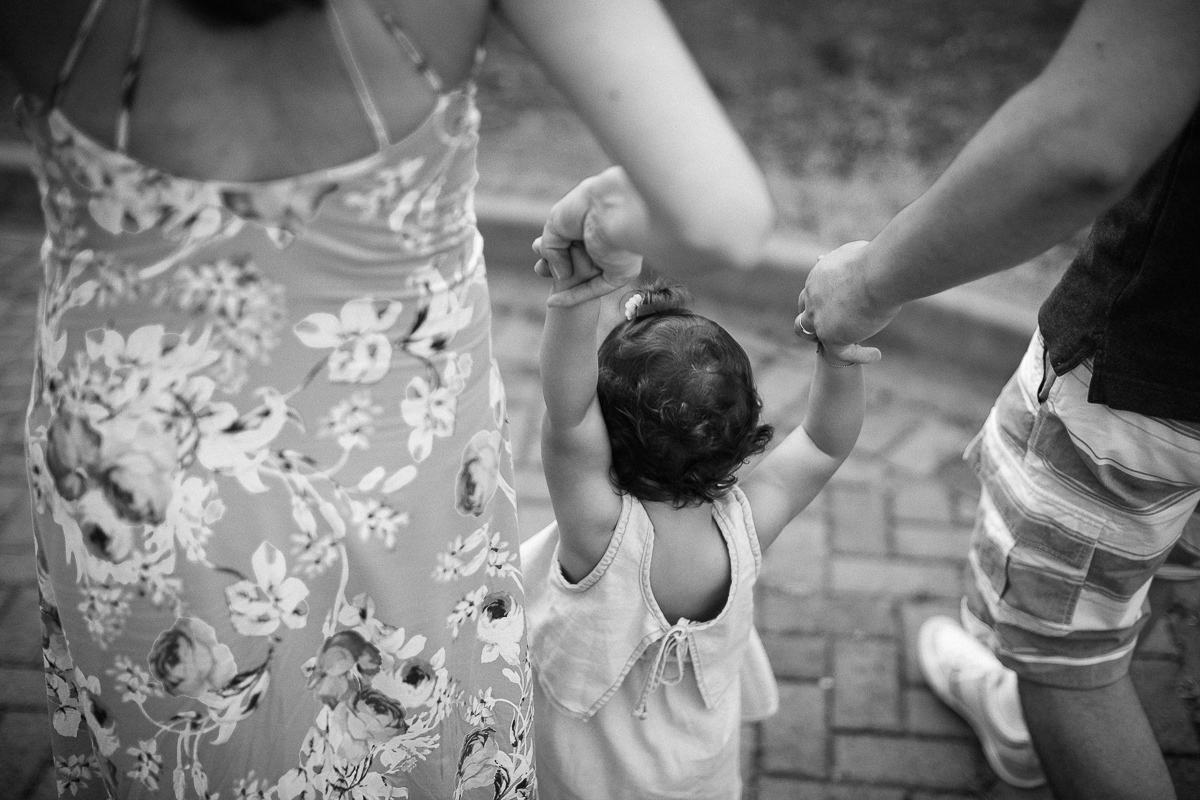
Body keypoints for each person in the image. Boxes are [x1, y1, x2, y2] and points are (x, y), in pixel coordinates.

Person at [0, 0, 775, 796]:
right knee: (401, 732)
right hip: (404, 456)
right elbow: (723, 219)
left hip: (127, 465)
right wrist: (606, 213)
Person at [797, 0, 1200, 797]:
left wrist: (869, 282)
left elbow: (1086, 137)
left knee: (1057, 649)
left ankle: (1029, 723)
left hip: (1150, 361)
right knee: (1155, 563)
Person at [520, 254, 875, 798]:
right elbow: (823, 444)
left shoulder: (597, 531)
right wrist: (840, 355)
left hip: (586, 770)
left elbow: (567, 413)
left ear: (604, 426)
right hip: (694, 768)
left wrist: (576, 294)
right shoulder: (748, 523)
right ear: (743, 434)